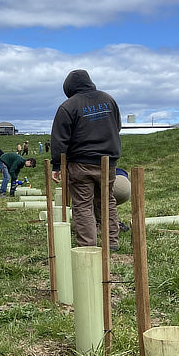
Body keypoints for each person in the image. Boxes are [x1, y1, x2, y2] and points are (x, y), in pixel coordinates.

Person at [50, 69, 121, 250]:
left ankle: (88, 246)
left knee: (83, 205)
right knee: (107, 200)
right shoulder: (108, 99)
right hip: (108, 162)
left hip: (81, 164)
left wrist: (57, 164)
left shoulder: (68, 106)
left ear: (69, 88)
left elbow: (59, 139)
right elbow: (117, 126)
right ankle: (111, 242)